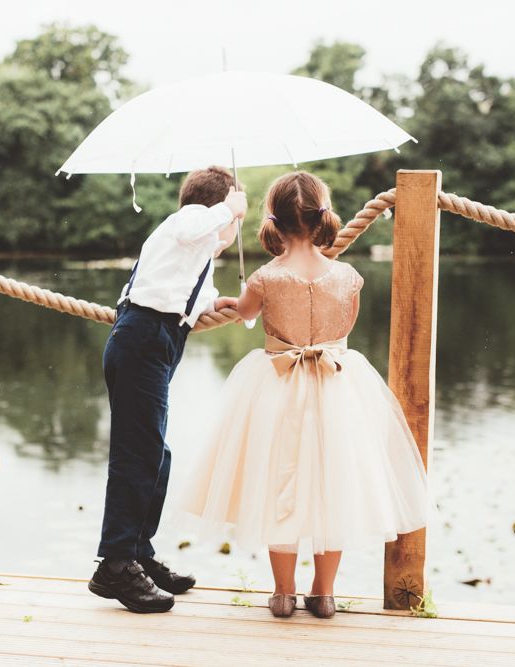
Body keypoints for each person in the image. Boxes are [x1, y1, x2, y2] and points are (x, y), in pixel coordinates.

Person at [177, 171, 428, 619]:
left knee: (281, 486)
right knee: (336, 487)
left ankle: (283, 593)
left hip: (278, 390)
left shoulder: (264, 278)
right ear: (322, 217)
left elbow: (246, 314)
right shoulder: (348, 276)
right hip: (338, 387)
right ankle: (325, 593)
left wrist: (231, 301)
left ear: (273, 221)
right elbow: (345, 328)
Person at [89, 166, 247, 614]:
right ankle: (115, 563)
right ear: (215, 208)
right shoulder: (186, 223)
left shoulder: (196, 254)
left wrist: (217, 304)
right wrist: (228, 207)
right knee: (137, 455)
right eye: (238, 219)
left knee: (156, 457)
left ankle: (138, 552)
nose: (236, 228)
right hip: (141, 339)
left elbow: (189, 300)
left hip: (155, 343)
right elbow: (197, 222)